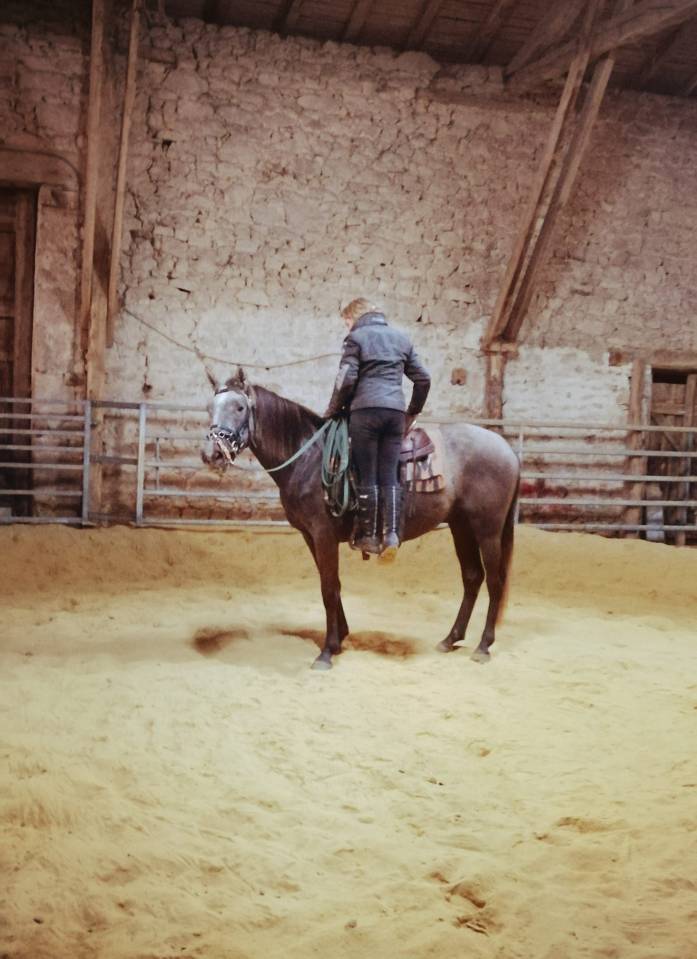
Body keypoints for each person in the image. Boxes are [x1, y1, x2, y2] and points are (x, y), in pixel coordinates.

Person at [324, 298, 431, 562]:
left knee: (367, 474)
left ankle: (369, 536)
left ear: (354, 316)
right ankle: (392, 535)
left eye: (346, 322)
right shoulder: (401, 339)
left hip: (366, 413)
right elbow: (423, 379)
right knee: (389, 475)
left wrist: (333, 410)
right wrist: (411, 412)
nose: (347, 327)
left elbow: (346, 380)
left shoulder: (356, 338)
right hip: (395, 414)